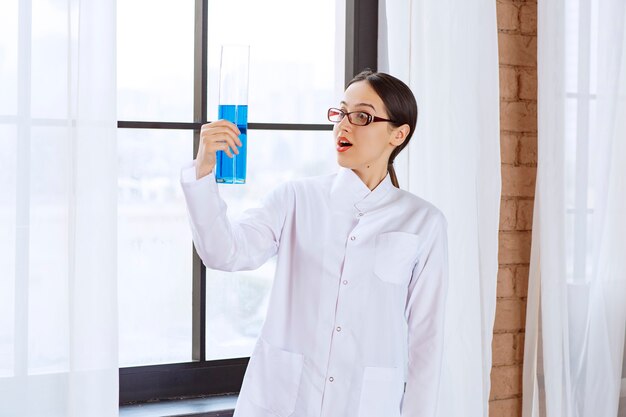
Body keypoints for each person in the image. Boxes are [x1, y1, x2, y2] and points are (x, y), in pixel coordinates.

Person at [180, 70, 449, 417]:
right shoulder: (295, 199)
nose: (343, 126)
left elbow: (427, 340)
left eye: (362, 116)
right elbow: (224, 253)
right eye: (341, 113)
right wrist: (204, 168)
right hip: (285, 401)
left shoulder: (423, 222)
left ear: (398, 134)